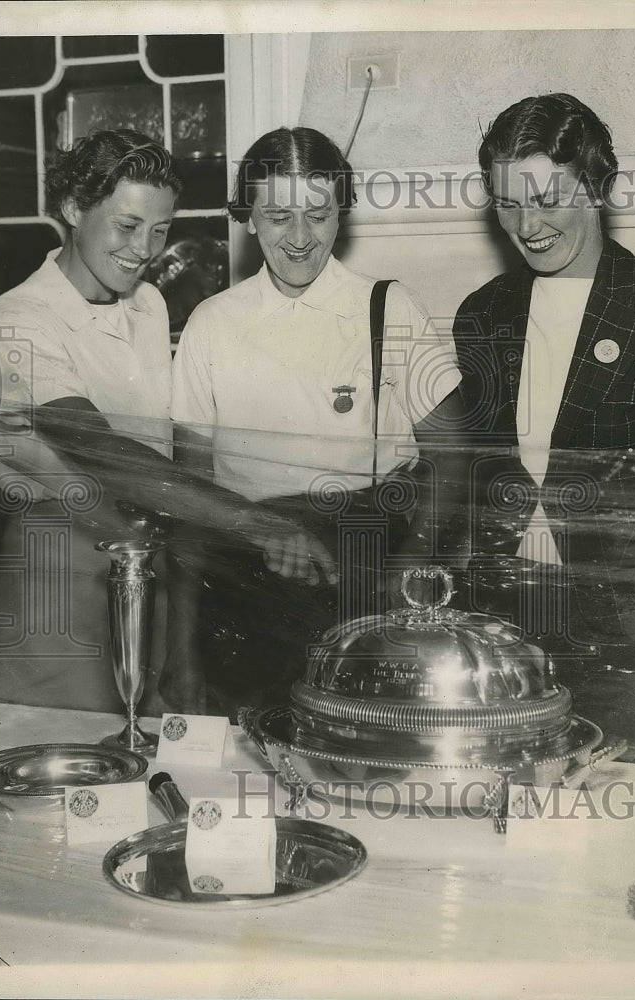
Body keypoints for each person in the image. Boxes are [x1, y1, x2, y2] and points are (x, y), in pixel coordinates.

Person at [0, 128, 335, 712]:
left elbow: (166, 460)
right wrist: (255, 523)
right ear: (73, 209)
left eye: (161, 229)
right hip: (62, 571)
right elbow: (107, 453)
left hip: (150, 559)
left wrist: (183, 641)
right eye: (126, 226)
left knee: (158, 759)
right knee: (66, 763)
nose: (144, 248)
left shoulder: (148, 306)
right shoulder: (20, 317)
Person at [166, 126, 464, 716]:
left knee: (365, 751)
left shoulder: (389, 308)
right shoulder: (212, 323)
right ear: (248, 216)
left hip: (366, 573)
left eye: (318, 214)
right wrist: (180, 650)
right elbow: (188, 501)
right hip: (246, 582)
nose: (299, 238)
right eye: (277, 215)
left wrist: (405, 582)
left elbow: (454, 457)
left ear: (341, 214)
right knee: (253, 758)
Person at [450, 93, 635, 759]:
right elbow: (476, 466)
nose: (527, 225)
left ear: (595, 184)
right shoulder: (482, 313)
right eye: (507, 203)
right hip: (506, 623)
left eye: (547, 198)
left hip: (632, 630)